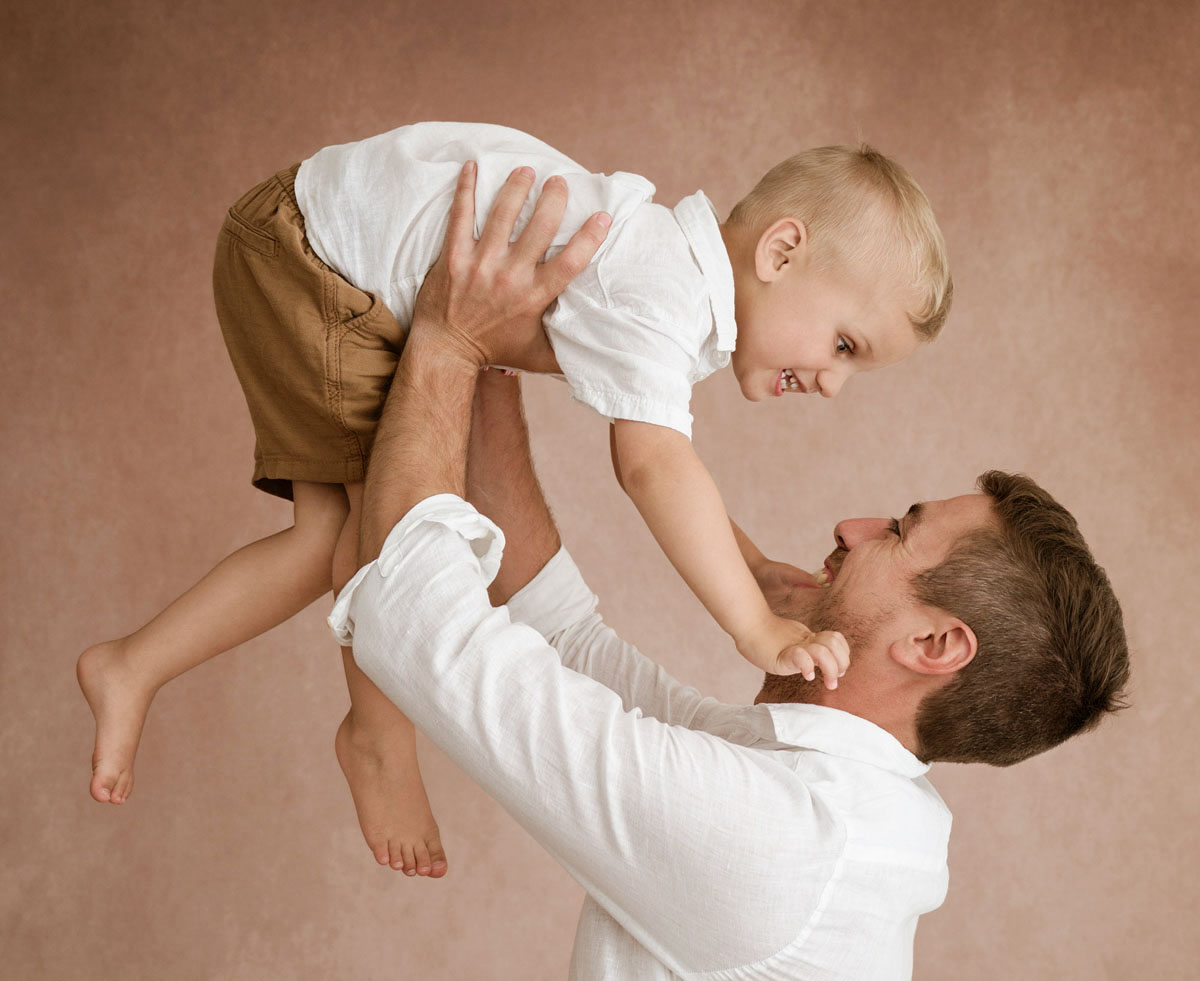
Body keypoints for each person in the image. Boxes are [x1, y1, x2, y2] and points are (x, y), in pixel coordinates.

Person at [329, 166, 1129, 981]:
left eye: (895, 530)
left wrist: (443, 339)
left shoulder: (781, 844)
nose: (848, 526)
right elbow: (557, 628)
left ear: (936, 646)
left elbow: (415, 621)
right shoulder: (814, 799)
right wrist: (494, 356)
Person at [77, 121, 951, 880]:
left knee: (332, 535)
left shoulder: (669, 288)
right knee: (368, 544)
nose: (833, 383)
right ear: (782, 251)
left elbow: (668, 459)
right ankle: (375, 739)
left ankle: (134, 664)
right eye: (843, 344)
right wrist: (752, 626)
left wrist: (753, 566)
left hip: (314, 239)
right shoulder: (663, 291)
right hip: (317, 258)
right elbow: (652, 467)